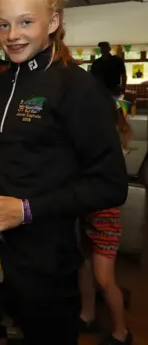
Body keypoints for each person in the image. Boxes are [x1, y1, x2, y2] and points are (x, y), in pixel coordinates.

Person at [0, 0, 128, 345]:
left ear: (54, 22)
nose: (13, 35)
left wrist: (26, 209)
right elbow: (5, 156)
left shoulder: (77, 88)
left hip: (46, 261)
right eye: (3, 25)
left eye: (26, 22)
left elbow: (110, 185)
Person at [79, 99, 133, 345]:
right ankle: (87, 315)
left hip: (104, 219)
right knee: (85, 268)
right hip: (87, 214)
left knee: (103, 279)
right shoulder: (93, 139)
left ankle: (121, 332)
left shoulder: (111, 146)